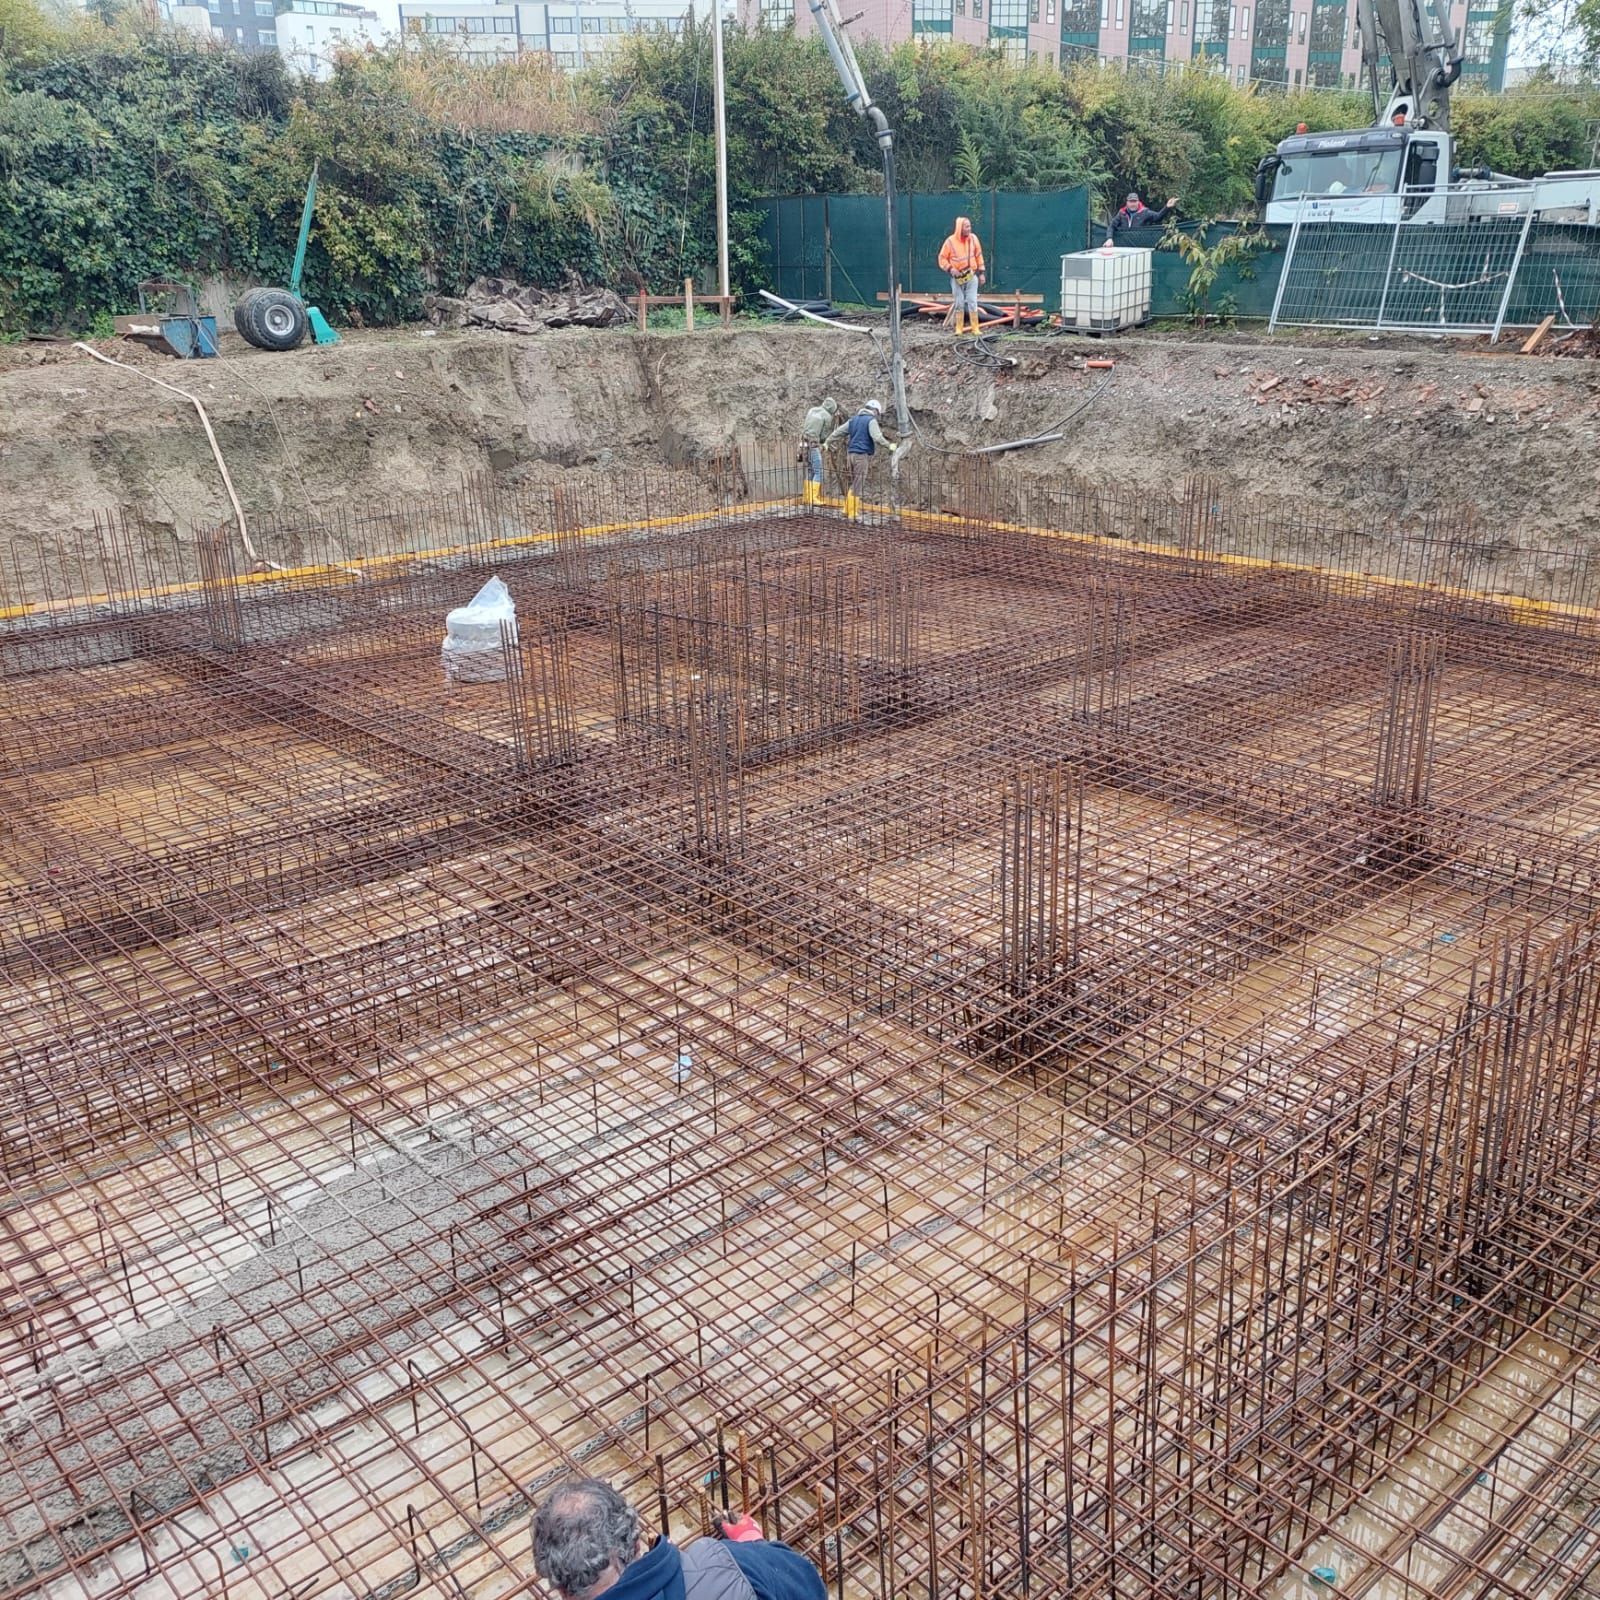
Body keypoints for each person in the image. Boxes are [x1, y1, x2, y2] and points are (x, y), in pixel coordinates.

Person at [532, 1478, 826, 1600]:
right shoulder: (728, 1564)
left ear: (560, 1589)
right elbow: (807, 1585)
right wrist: (753, 1548)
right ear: (636, 1541)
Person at [825, 398, 897, 520]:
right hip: (861, 456)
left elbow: (838, 432)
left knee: (853, 483)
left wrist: (828, 441)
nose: (877, 415)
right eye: (878, 413)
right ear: (874, 410)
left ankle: (846, 509)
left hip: (850, 456)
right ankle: (853, 513)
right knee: (858, 484)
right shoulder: (871, 420)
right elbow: (877, 437)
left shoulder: (853, 420)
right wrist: (889, 445)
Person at [937, 216, 986, 338]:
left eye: (970, 226)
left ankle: (975, 328)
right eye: (967, 226)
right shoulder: (950, 241)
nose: (969, 228)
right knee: (959, 302)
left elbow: (979, 255)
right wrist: (951, 269)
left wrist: (981, 273)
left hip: (971, 275)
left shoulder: (974, 239)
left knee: (972, 301)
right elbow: (942, 258)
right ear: (960, 228)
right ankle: (959, 328)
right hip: (957, 278)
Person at [798, 396, 839, 505]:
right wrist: (826, 444)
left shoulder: (812, 410)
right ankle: (814, 498)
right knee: (818, 471)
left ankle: (807, 497)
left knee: (811, 470)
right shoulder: (827, 416)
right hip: (813, 445)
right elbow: (824, 435)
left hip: (803, 443)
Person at [1107, 191, 1179, 241]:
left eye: (1134, 201)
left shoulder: (1145, 212)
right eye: (1130, 201)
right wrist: (1109, 238)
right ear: (1127, 203)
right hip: (1124, 246)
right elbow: (1111, 226)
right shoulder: (1121, 213)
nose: (1132, 204)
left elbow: (1158, 217)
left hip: (1140, 247)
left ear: (1138, 202)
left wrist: (1167, 207)